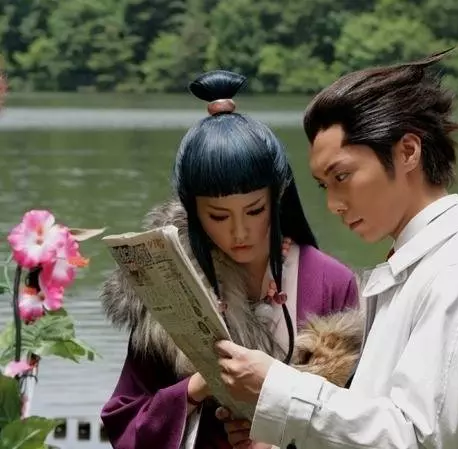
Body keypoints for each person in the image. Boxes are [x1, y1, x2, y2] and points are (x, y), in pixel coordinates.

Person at [214, 49, 458, 449]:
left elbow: (416, 437)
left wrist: (278, 389)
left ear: (408, 152)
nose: (333, 204)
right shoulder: (416, 267)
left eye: (342, 176)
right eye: (324, 185)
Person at [99, 69, 360, 449]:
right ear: (194, 211)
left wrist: (278, 439)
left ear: (277, 198)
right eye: (218, 216)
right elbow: (125, 420)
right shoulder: (170, 286)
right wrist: (197, 386)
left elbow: (363, 421)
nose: (239, 232)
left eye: (254, 210)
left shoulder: (330, 281)